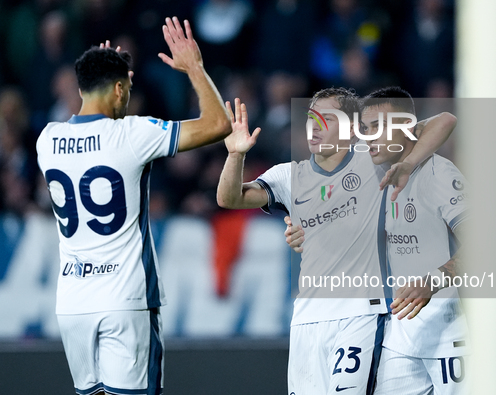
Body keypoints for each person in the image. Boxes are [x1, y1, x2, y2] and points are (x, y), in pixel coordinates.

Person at [36, 17, 231, 395]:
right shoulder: (133, 134)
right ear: (120, 88)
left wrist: (103, 67)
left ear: (80, 87)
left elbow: (88, 122)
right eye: (126, 87)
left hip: (73, 305)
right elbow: (218, 124)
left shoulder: (48, 140)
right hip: (125, 300)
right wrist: (194, 67)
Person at [216, 88, 456, 394]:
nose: (314, 126)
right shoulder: (290, 176)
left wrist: (409, 163)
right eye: (311, 117)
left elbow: (444, 120)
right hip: (307, 317)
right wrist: (236, 154)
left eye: (327, 118)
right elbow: (228, 198)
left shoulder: (375, 161)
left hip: (362, 316)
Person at [288, 87, 468, 394]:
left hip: (448, 334)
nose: (369, 137)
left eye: (379, 128)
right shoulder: (370, 173)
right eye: (365, 129)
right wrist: (303, 230)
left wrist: (434, 280)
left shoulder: (438, 175)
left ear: (408, 128)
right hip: (397, 337)